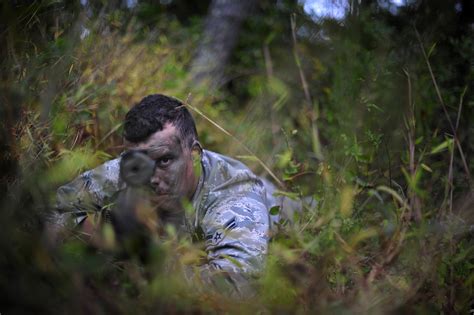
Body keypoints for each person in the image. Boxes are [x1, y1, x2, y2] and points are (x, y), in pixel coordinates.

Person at [53, 94, 273, 297]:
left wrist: (150, 257)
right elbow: (55, 208)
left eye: (164, 161)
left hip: (281, 201)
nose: (150, 177)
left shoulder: (235, 196)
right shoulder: (130, 169)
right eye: (137, 163)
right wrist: (99, 234)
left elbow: (238, 287)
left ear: (194, 155)